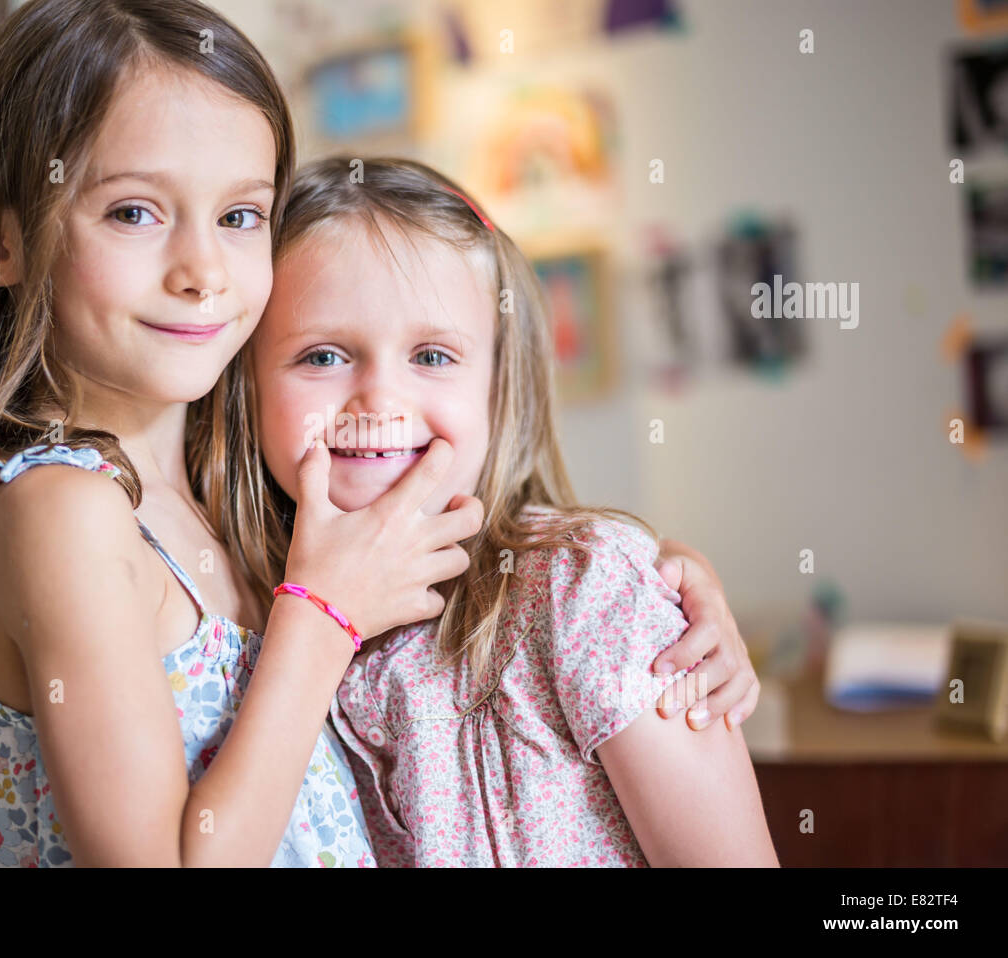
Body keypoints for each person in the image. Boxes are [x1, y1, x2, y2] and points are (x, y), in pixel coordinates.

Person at [0, 0, 483, 867]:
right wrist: (322, 618)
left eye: (240, 216)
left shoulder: (232, 485)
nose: (203, 272)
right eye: (134, 213)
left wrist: (664, 584)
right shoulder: (62, 512)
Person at [203, 156, 778, 866]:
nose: (380, 401)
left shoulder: (587, 592)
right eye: (322, 356)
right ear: (245, 389)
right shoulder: (246, 628)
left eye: (434, 356)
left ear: (498, 385)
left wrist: (659, 573)